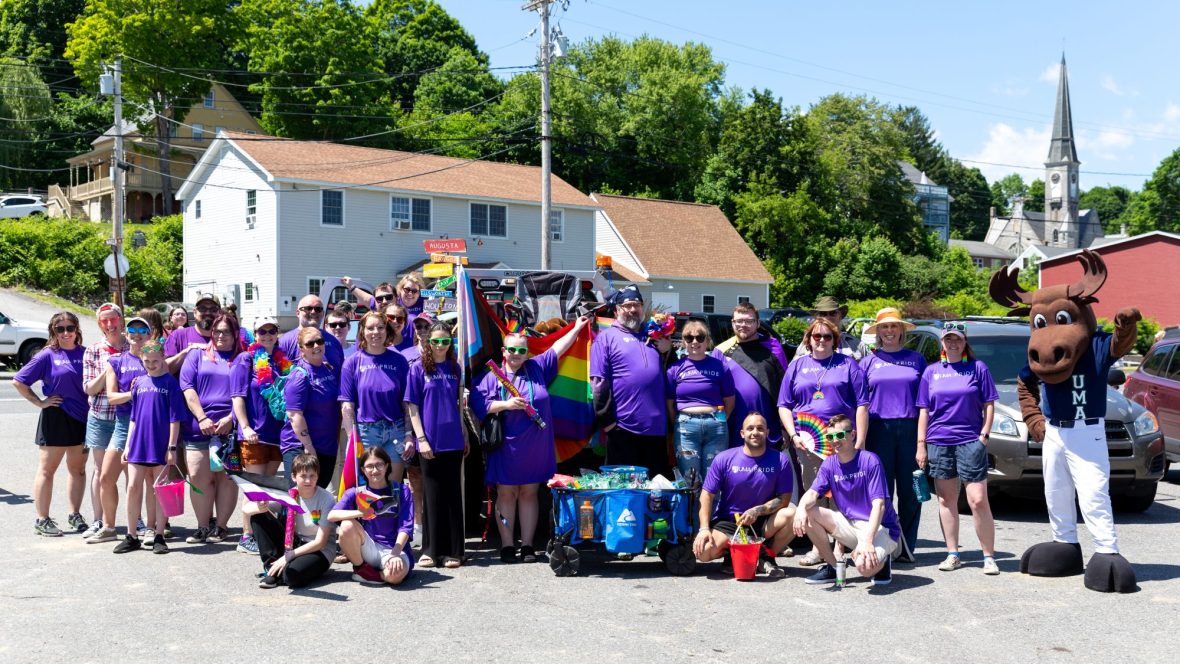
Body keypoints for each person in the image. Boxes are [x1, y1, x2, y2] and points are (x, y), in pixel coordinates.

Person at [471, 317, 591, 563]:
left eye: (521, 350)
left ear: (527, 352)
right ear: (504, 351)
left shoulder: (537, 368)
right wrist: (507, 404)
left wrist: (577, 328)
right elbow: (478, 404)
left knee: (529, 493)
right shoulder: (492, 375)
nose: (516, 354)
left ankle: (526, 545)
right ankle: (506, 545)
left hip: (536, 445)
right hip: (507, 445)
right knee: (506, 494)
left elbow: (558, 348)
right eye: (512, 349)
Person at [778, 317, 869, 567]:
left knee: (841, 494)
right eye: (816, 336)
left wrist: (859, 439)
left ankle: (840, 548)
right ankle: (819, 548)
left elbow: (862, 404)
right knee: (814, 494)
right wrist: (794, 435)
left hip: (842, 439)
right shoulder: (796, 366)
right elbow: (784, 405)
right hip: (808, 442)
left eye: (827, 337)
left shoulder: (848, 364)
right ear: (808, 339)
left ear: (834, 340)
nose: (821, 340)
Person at [917, 322, 1000, 576]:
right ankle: (953, 553)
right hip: (939, 441)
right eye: (948, 339)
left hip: (970, 441)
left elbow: (989, 404)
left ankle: (988, 556)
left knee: (977, 499)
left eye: (958, 340)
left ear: (965, 343)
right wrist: (921, 445)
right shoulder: (932, 372)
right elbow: (924, 410)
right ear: (942, 343)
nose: (953, 344)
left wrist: (984, 435)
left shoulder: (977, 368)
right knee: (946, 499)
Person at [794, 414, 902, 586]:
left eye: (840, 435)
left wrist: (867, 541)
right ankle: (833, 567)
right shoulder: (829, 464)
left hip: (881, 527)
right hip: (850, 524)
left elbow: (879, 506)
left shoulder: (869, 460)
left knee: (864, 568)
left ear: (852, 435)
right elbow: (812, 494)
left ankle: (882, 563)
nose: (834, 440)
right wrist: (800, 508)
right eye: (830, 437)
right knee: (808, 511)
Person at [859, 307, 926, 562]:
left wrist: (922, 442)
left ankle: (907, 547)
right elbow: (860, 405)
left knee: (911, 492)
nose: (889, 331)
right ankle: (886, 544)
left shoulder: (916, 359)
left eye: (893, 327)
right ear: (878, 333)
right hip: (879, 430)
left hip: (909, 429)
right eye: (884, 327)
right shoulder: (867, 363)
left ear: (901, 331)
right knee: (881, 493)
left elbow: (925, 404)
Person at [693, 414, 795, 578]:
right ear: (742, 433)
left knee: (793, 514)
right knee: (703, 553)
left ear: (767, 432)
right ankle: (733, 556)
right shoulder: (724, 459)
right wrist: (704, 529)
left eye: (760, 429)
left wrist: (757, 511)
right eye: (750, 428)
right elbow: (706, 495)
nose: (755, 432)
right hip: (729, 522)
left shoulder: (780, 459)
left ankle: (766, 557)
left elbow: (784, 499)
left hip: (762, 521)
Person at [14, 312, 88, 536]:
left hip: (83, 418)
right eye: (60, 329)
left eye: (70, 328)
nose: (66, 333)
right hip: (55, 416)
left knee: (78, 470)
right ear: (53, 331)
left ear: (77, 330)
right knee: (48, 470)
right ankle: (42, 519)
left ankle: (75, 515)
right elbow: (19, 381)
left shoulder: (87, 354)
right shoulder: (47, 355)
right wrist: (40, 402)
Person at [112, 341, 186, 554]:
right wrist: (127, 445)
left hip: (160, 444)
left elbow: (175, 419)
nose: (151, 365)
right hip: (138, 444)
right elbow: (133, 418)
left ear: (163, 358)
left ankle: (159, 535)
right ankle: (132, 534)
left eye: (155, 360)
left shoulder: (170, 383)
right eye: (147, 361)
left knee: (160, 490)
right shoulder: (139, 382)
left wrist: (171, 448)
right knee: (133, 487)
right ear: (141, 361)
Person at [589, 285, 669, 479]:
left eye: (638, 305)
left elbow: (670, 374)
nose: (634, 309)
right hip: (623, 429)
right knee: (623, 491)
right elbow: (598, 382)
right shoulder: (606, 338)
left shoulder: (653, 336)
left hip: (656, 430)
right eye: (628, 305)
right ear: (617, 310)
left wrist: (668, 351)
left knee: (655, 493)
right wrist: (608, 423)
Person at [405, 322, 467, 569]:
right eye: (436, 341)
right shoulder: (417, 368)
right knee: (431, 496)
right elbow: (412, 407)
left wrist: (464, 434)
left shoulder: (455, 367)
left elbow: (459, 405)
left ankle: (455, 551)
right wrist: (421, 439)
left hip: (453, 440)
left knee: (452, 495)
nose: (440, 346)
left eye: (445, 342)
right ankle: (430, 550)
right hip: (429, 440)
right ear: (427, 343)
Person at [90, 313, 155, 544]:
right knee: (106, 476)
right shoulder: (116, 361)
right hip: (123, 425)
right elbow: (111, 396)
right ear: (127, 335)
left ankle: (150, 527)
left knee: (147, 479)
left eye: (142, 332)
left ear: (150, 335)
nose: (137, 336)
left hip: (148, 426)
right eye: (133, 332)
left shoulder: (155, 360)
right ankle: (109, 527)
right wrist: (136, 392)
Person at [179, 313, 243, 544]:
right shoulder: (197, 355)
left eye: (226, 331)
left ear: (235, 333)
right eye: (217, 331)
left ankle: (221, 526)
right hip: (199, 427)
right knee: (198, 476)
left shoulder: (243, 358)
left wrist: (231, 418)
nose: (220, 336)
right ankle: (202, 526)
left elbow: (247, 393)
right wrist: (202, 417)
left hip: (230, 429)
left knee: (226, 478)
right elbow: (187, 387)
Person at [230, 316, 290, 554]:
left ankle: (261, 535)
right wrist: (245, 426)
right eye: (261, 331)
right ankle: (246, 536)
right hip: (253, 434)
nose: (266, 335)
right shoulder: (246, 359)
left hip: (276, 435)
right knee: (253, 488)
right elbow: (237, 397)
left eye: (271, 330)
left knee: (266, 489)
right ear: (254, 335)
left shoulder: (281, 361)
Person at [245, 453, 339, 589]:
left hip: (319, 550)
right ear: (294, 477)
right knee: (258, 515)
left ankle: (282, 571)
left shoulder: (327, 499)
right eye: (303, 476)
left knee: (292, 577)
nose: (308, 480)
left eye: (312, 476)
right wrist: (259, 506)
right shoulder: (288, 495)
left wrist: (287, 557)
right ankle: (271, 567)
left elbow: (320, 543)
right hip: (293, 543)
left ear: (317, 476)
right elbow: (246, 510)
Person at [340, 311, 412, 481]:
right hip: (366, 433)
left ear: (387, 330)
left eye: (380, 327)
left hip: (396, 431)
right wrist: (352, 438)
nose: (376, 332)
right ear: (362, 331)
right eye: (370, 328)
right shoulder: (352, 362)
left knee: (394, 489)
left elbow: (407, 402)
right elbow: (347, 405)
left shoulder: (399, 361)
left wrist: (409, 433)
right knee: (368, 491)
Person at [330, 447, 415, 586]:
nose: (375, 470)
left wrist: (395, 554)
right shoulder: (356, 492)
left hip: (394, 548)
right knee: (346, 524)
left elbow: (405, 526)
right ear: (363, 469)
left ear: (387, 465)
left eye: (379, 465)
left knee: (394, 578)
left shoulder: (401, 490)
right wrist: (361, 512)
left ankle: (374, 576)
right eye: (369, 466)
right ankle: (362, 569)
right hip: (368, 548)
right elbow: (332, 516)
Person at [666, 319, 735, 485]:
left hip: (716, 427)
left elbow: (730, 400)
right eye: (689, 338)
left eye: (700, 337)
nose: (695, 342)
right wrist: (678, 421)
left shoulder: (720, 366)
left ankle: (710, 512)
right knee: (690, 480)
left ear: (708, 340)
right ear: (683, 342)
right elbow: (670, 403)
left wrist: (721, 420)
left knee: (713, 480)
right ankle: (691, 512)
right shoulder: (675, 368)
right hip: (686, 427)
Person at [80, 303, 128, 538]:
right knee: (100, 471)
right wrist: (110, 366)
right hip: (100, 417)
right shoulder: (93, 350)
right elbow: (89, 388)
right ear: (99, 324)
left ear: (120, 319)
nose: (109, 325)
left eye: (113, 319)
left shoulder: (133, 345)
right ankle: (99, 520)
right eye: (104, 321)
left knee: (131, 470)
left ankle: (135, 520)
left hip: (128, 418)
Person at [713, 302, 789, 448]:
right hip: (734, 430)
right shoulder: (721, 351)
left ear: (758, 323)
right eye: (739, 321)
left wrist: (785, 428)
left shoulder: (773, 347)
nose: (743, 325)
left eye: (749, 321)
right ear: (732, 323)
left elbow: (785, 389)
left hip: (768, 429)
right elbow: (715, 392)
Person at [281, 326, 342, 488]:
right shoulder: (299, 375)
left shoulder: (327, 369)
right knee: (300, 500)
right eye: (310, 344)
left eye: (319, 341)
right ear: (302, 350)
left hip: (327, 446)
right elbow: (294, 415)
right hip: (302, 448)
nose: (316, 346)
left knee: (318, 497)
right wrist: (309, 447)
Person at [278, 294, 344, 380]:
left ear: (323, 313)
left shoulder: (334, 341)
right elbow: (279, 378)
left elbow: (342, 375)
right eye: (308, 308)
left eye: (318, 309)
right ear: (298, 313)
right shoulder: (284, 342)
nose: (313, 312)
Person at [791, 296, 862, 361]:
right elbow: (794, 371)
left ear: (840, 316)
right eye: (823, 314)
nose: (828, 317)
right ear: (817, 318)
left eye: (833, 313)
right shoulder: (806, 344)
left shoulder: (855, 344)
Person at [165, 293, 219, 372]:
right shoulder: (178, 335)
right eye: (202, 309)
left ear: (219, 313)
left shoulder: (225, 338)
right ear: (194, 312)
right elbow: (163, 370)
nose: (208, 313)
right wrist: (186, 352)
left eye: (213, 310)